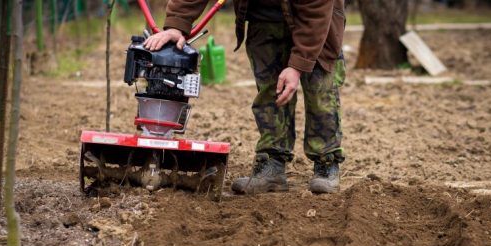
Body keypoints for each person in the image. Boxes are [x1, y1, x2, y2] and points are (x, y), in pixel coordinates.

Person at [144, 0, 346, 194]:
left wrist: (297, 65)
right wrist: (176, 25)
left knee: (321, 93)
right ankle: (272, 164)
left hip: (318, 22)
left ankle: (326, 162)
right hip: (263, 20)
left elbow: (317, 9)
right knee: (270, 91)